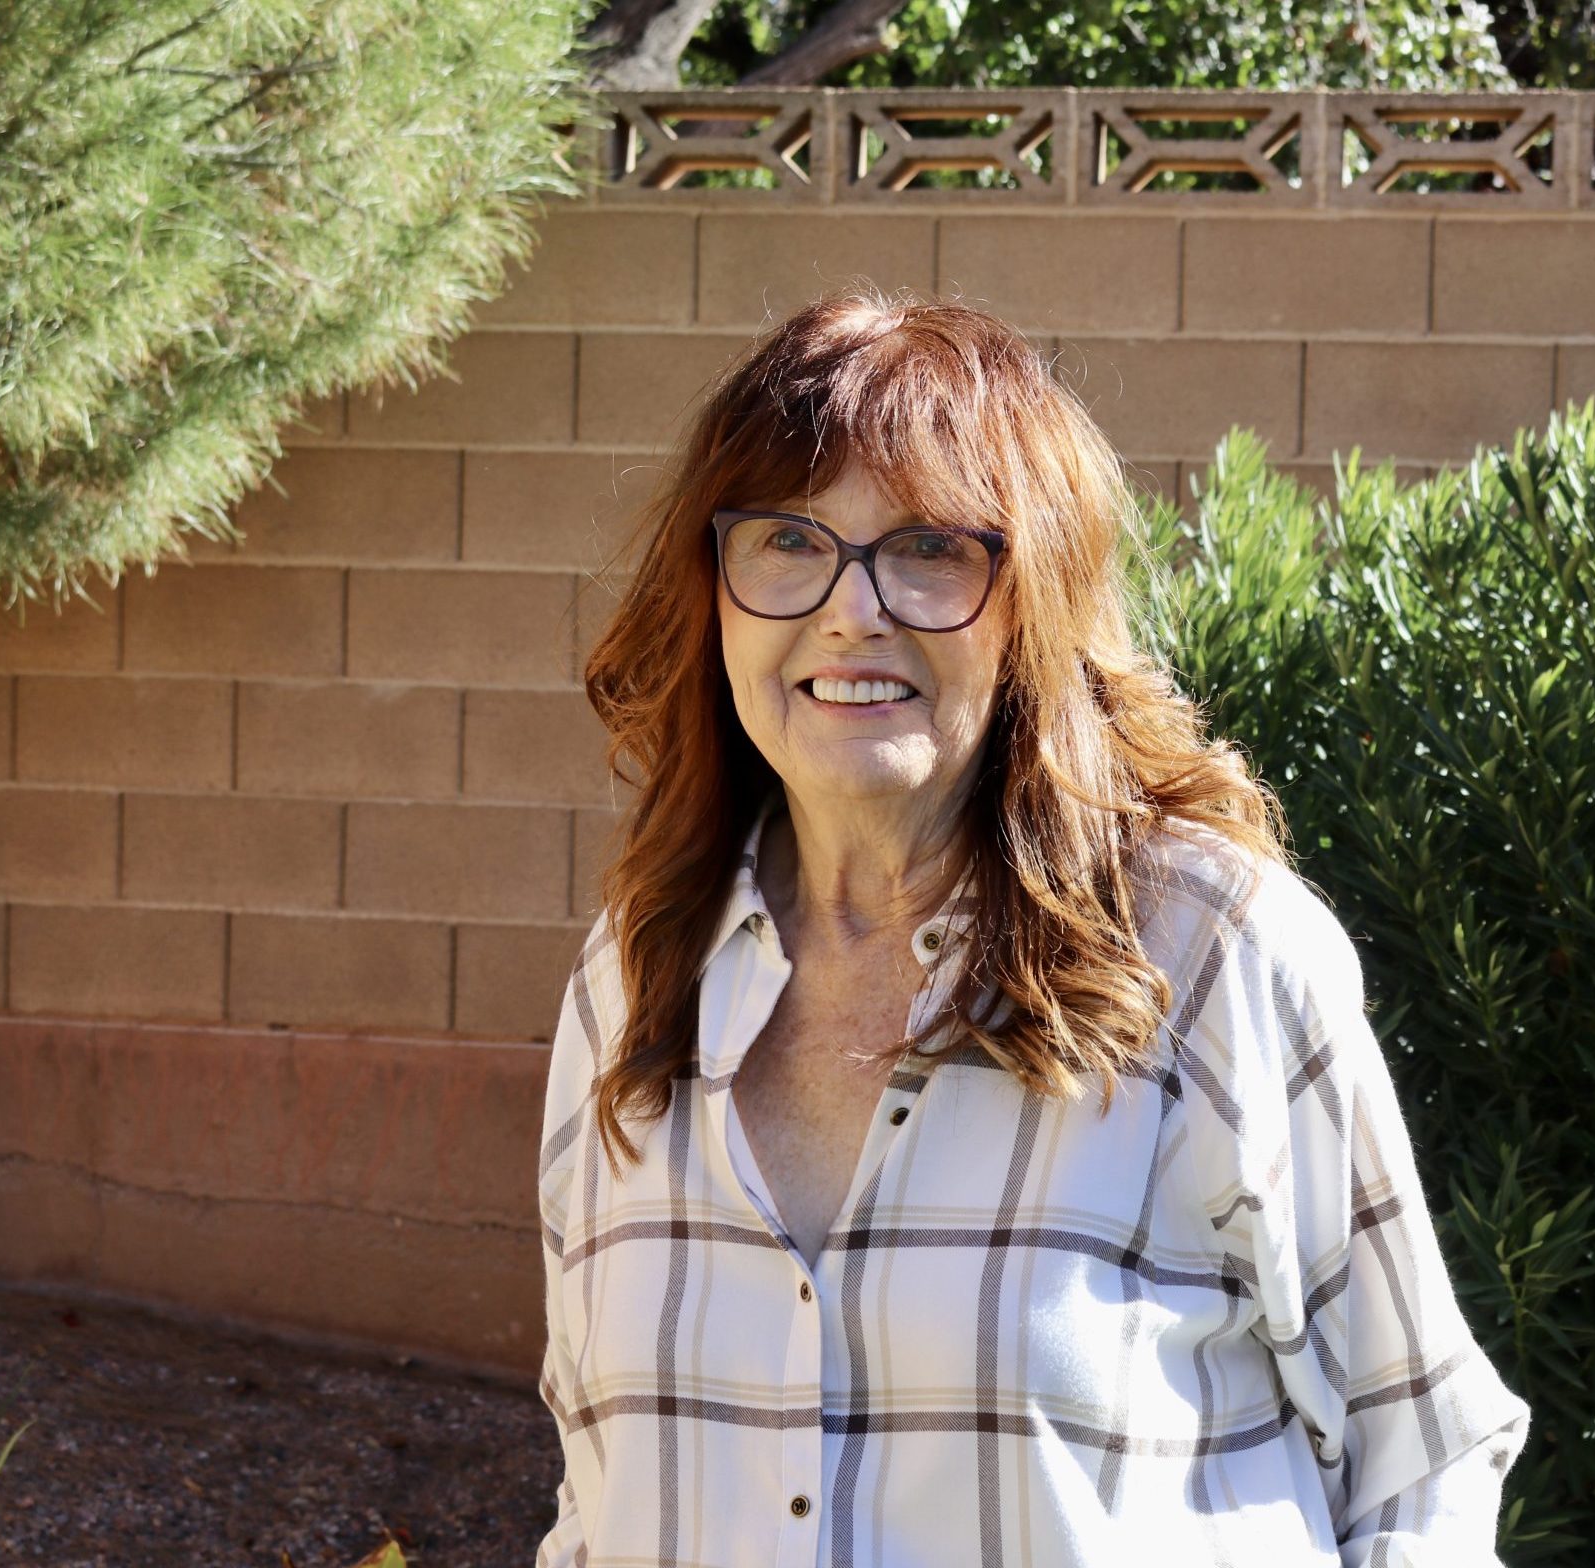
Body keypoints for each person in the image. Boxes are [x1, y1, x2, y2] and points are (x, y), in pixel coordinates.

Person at [534, 285, 1531, 1567]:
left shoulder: (1208, 948)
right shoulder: (631, 974)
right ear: (712, 591)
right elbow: (597, 1489)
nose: (852, 609)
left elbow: (1421, 1456)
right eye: (787, 539)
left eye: (930, 548)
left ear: (1036, 602)